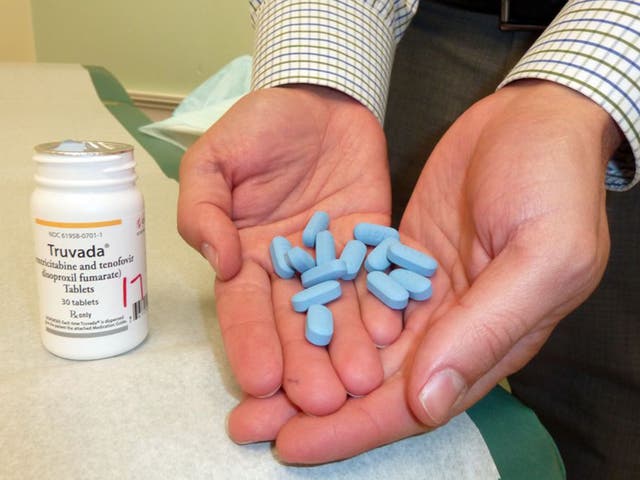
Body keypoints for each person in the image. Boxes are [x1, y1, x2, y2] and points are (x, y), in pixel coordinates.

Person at [177, 1, 639, 478]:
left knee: (607, 433)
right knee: (401, 363)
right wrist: (317, 73)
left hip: (623, 60)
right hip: (430, 36)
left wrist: (598, 77)